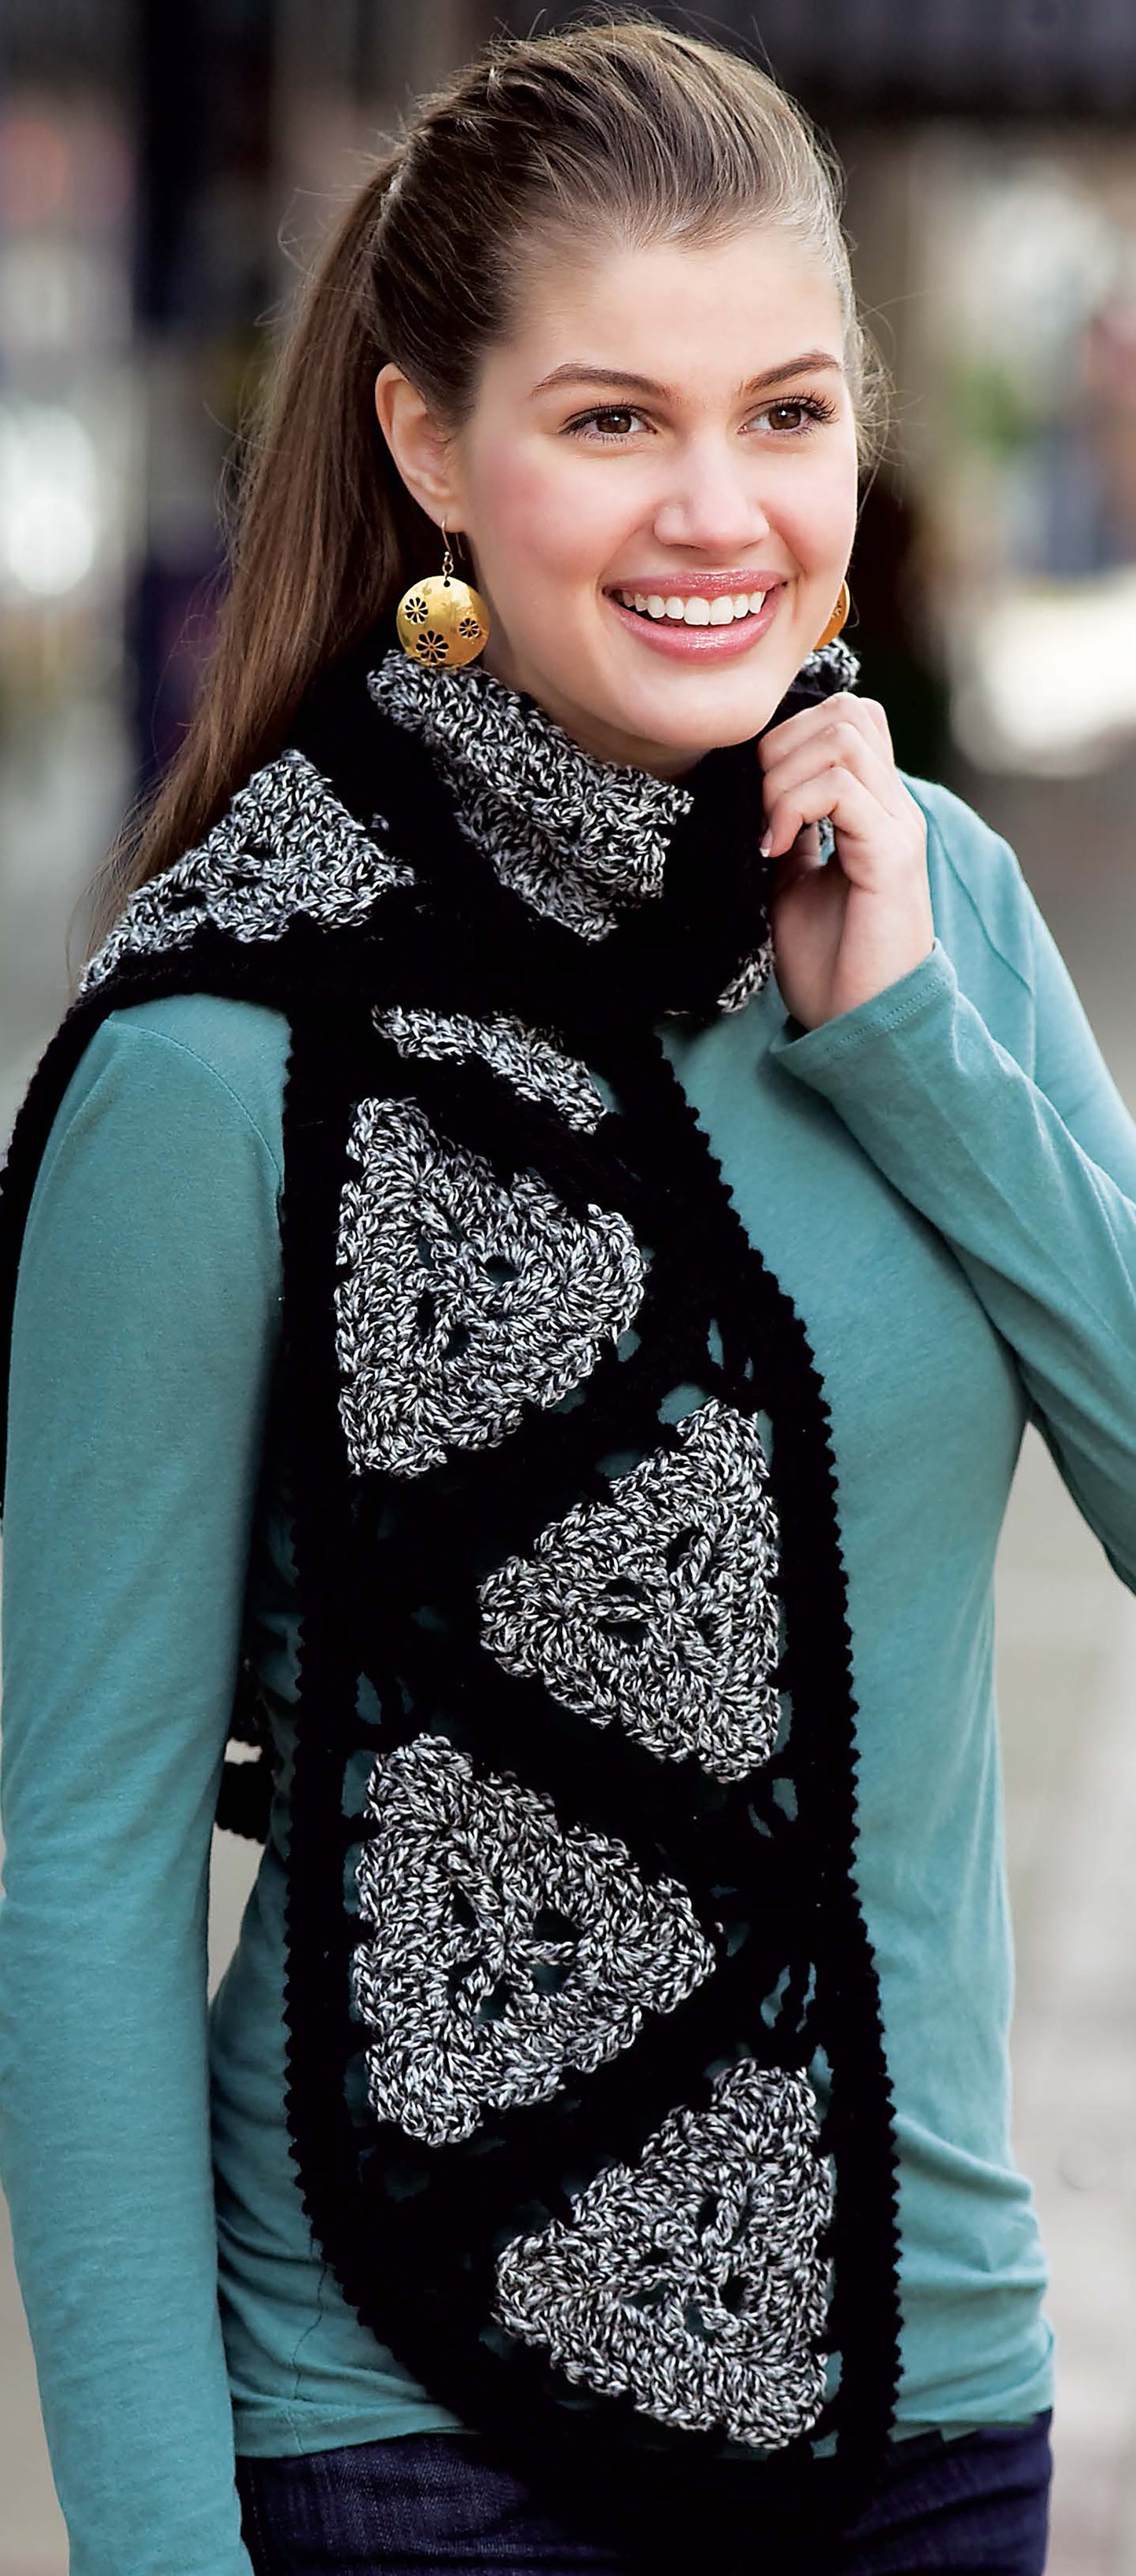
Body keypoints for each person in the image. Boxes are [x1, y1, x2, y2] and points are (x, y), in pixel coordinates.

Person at [5, 16, 1135, 2572]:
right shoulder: (229, 1051)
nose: (721, 511)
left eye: (788, 415)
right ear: (429, 447)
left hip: (925, 2408)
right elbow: (74, 1869)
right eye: (613, 419)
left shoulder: (933, 904)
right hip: (404, 2444)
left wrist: (931, 1059)